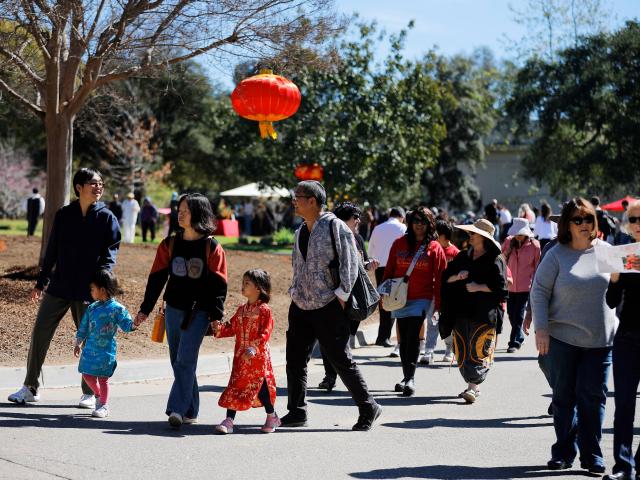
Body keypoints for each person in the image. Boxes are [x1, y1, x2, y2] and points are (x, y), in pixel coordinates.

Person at [8, 168, 121, 408]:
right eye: (93, 183)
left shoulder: (107, 217)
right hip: (60, 286)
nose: (98, 187)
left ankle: (89, 393)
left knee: (90, 340)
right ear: (79, 187)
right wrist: (41, 281)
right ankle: (30, 387)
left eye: (101, 183)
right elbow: (52, 251)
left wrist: (103, 281)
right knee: (40, 332)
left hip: (89, 291)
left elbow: (111, 253)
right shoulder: (64, 215)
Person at [283, 180, 381, 431]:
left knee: (340, 359)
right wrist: (294, 291)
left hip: (329, 304)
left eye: (299, 197)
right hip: (301, 304)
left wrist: (342, 294)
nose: (295, 201)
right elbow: (297, 265)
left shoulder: (336, 226)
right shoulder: (300, 231)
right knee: (294, 359)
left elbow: (351, 263)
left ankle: (368, 406)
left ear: (312, 201)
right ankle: (296, 411)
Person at [530, 197, 617, 474]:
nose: (583, 224)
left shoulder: (608, 252)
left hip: (601, 341)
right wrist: (541, 329)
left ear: (595, 223)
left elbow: (628, 288)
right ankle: (564, 451)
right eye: (577, 219)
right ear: (566, 224)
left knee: (593, 398)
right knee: (564, 398)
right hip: (562, 339)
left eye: (588, 219)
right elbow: (539, 292)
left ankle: (592, 455)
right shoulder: (556, 254)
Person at [134, 193, 228, 428]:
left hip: (200, 312)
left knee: (185, 360)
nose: (180, 213)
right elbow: (156, 278)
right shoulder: (169, 244)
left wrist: (216, 316)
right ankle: (191, 410)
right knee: (179, 362)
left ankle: (176, 409)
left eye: (185, 209)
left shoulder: (212, 247)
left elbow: (219, 286)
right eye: (180, 209)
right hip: (173, 310)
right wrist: (145, 309)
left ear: (199, 213)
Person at [440, 219, 508, 404]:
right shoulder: (462, 257)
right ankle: (472, 384)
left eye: (473, 234)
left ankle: (473, 387)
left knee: (478, 350)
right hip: (461, 311)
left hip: (484, 313)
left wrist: (479, 287)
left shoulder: (496, 259)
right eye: (470, 233)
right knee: (461, 350)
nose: (469, 236)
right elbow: (445, 279)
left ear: (483, 238)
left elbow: (502, 289)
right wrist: (457, 277)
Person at [382, 207, 446, 396]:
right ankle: (406, 376)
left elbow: (440, 278)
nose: (419, 224)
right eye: (416, 221)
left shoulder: (434, 248)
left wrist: (439, 305)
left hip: (421, 298)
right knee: (404, 337)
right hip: (400, 299)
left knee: (412, 335)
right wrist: (383, 293)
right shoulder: (399, 244)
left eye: (423, 221)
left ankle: (410, 378)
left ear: (429, 225)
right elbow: (389, 271)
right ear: (410, 223)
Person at [318, 201, 379, 392]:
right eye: (355, 217)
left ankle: (340, 375)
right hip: (335, 296)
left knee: (344, 338)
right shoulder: (331, 239)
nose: (359, 220)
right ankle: (330, 376)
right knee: (332, 338)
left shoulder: (358, 239)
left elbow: (361, 264)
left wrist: (369, 265)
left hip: (355, 297)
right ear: (343, 220)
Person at [212, 269, 279, 434]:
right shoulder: (241, 310)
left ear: (259, 288)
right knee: (235, 386)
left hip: (257, 358)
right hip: (240, 357)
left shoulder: (264, 310)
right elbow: (231, 327)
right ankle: (229, 421)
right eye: (243, 283)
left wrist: (254, 347)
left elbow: (266, 332)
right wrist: (218, 328)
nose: (243, 286)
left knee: (260, 387)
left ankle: (272, 416)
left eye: (247, 283)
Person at [603, 200, 640, 480]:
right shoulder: (627, 253)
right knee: (624, 405)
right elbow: (612, 302)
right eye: (634, 219)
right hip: (627, 336)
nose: (638, 225)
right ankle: (623, 466)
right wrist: (615, 279)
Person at [73, 269, 134, 418]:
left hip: (106, 350)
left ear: (102, 290)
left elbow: (126, 326)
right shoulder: (92, 308)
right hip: (90, 348)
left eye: (92, 289)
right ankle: (98, 395)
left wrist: (134, 324)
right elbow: (84, 326)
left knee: (103, 378)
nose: (91, 292)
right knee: (86, 374)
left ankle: (103, 405)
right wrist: (78, 341)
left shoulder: (118, 309)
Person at [421, 219, 460, 365]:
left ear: (443, 235)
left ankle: (450, 348)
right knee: (432, 321)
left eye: (436, 233)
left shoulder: (455, 253)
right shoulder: (432, 249)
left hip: (450, 295)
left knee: (448, 324)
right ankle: (429, 351)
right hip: (433, 292)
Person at [368, 207, 406, 348]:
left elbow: (370, 249)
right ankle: (385, 337)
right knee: (394, 301)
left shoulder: (378, 228)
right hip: (396, 269)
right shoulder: (403, 228)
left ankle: (382, 336)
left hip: (379, 268)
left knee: (383, 302)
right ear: (401, 216)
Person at [501, 218, 540, 353]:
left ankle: (513, 342)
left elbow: (537, 267)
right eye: (516, 233)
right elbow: (501, 261)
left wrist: (535, 284)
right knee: (511, 314)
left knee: (519, 315)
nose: (518, 235)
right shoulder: (508, 242)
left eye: (521, 233)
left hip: (525, 287)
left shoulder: (534, 246)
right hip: (510, 286)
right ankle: (519, 336)